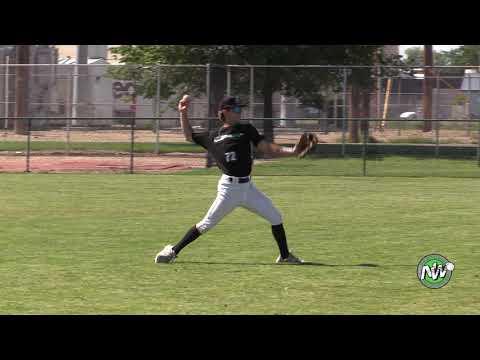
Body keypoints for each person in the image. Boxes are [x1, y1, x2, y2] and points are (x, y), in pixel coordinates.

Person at [155, 95, 313, 265]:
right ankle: (172, 251)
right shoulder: (212, 136)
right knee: (205, 225)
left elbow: (267, 148)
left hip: (248, 188)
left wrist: (293, 151)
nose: (240, 112)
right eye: (236, 109)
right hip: (228, 190)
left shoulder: (246, 129)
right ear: (225, 112)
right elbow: (188, 136)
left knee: (276, 217)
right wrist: (183, 113)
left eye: (240, 109)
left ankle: (285, 256)